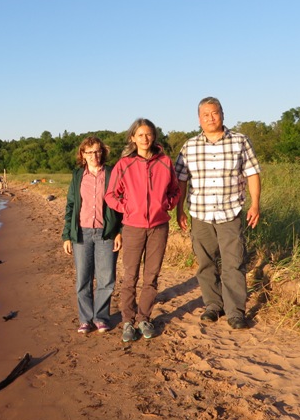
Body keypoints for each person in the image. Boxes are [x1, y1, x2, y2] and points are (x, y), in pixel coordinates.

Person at [175, 96, 262, 330]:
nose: (210, 118)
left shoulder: (240, 141)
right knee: (205, 262)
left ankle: (235, 311)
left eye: (214, 113)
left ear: (222, 114)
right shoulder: (189, 146)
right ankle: (213, 305)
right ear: (199, 118)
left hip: (230, 211)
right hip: (200, 213)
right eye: (206, 115)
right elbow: (180, 181)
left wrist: (255, 204)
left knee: (233, 262)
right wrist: (179, 209)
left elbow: (252, 173)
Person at [105, 118, 179, 342]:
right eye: (140, 135)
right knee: (130, 276)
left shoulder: (165, 162)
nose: (145, 138)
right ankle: (128, 321)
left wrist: (167, 205)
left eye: (148, 134)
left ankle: (144, 318)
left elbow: (175, 191)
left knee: (152, 276)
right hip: (133, 227)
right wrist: (127, 208)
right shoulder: (124, 164)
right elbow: (111, 195)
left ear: (154, 136)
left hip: (158, 226)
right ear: (132, 138)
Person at [62, 136, 123, 334]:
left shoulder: (113, 173)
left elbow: (122, 204)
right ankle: (86, 319)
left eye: (97, 151)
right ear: (82, 154)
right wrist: (66, 236)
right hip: (81, 232)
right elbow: (71, 205)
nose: (93, 156)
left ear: (102, 152)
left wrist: (119, 232)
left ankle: (101, 318)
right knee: (83, 279)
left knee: (106, 278)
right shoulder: (78, 175)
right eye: (89, 152)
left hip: (106, 233)